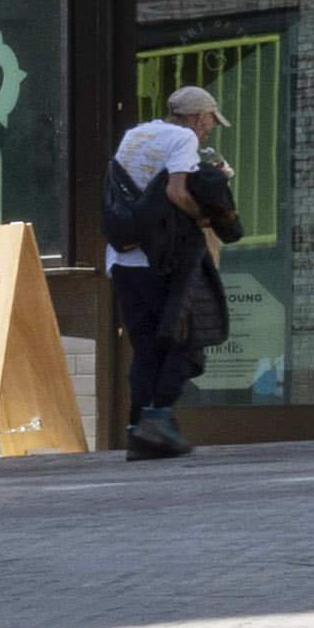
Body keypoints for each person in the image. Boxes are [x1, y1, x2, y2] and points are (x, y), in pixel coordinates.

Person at [100, 83, 240, 457]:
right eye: (210, 121)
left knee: (145, 347)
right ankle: (158, 419)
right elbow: (177, 192)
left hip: (122, 258)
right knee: (182, 338)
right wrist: (200, 216)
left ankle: (137, 429)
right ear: (198, 116)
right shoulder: (182, 138)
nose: (209, 129)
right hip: (159, 259)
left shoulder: (135, 133)